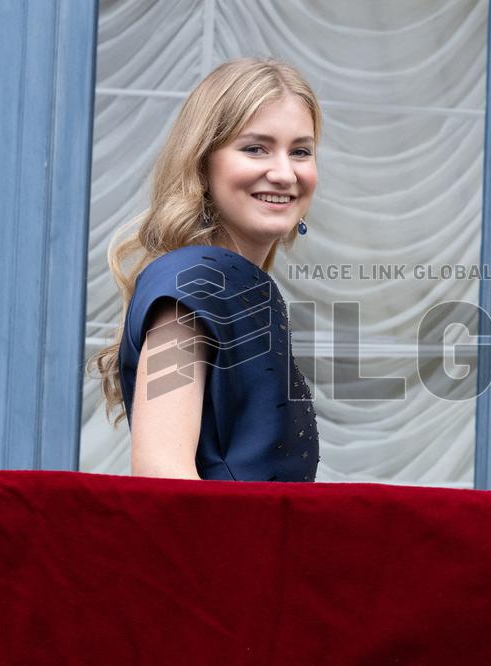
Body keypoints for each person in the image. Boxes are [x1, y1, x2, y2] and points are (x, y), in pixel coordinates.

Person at [88, 57, 321, 482]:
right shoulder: (196, 283)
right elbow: (161, 473)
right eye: (255, 148)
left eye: (300, 151)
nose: (284, 173)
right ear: (201, 162)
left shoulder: (224, 282)